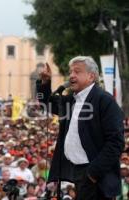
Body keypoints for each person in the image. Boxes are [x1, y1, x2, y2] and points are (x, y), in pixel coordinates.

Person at [36, 56, 125, 199]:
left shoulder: (104, 100)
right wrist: (45, 83)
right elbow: (46, 103)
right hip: (77, 171)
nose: (71, 75)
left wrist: (92, 173)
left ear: (91, 76)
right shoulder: (72, 100)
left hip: (96, 176)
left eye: (77, 72)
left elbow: (116, 142)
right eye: (71, 72)